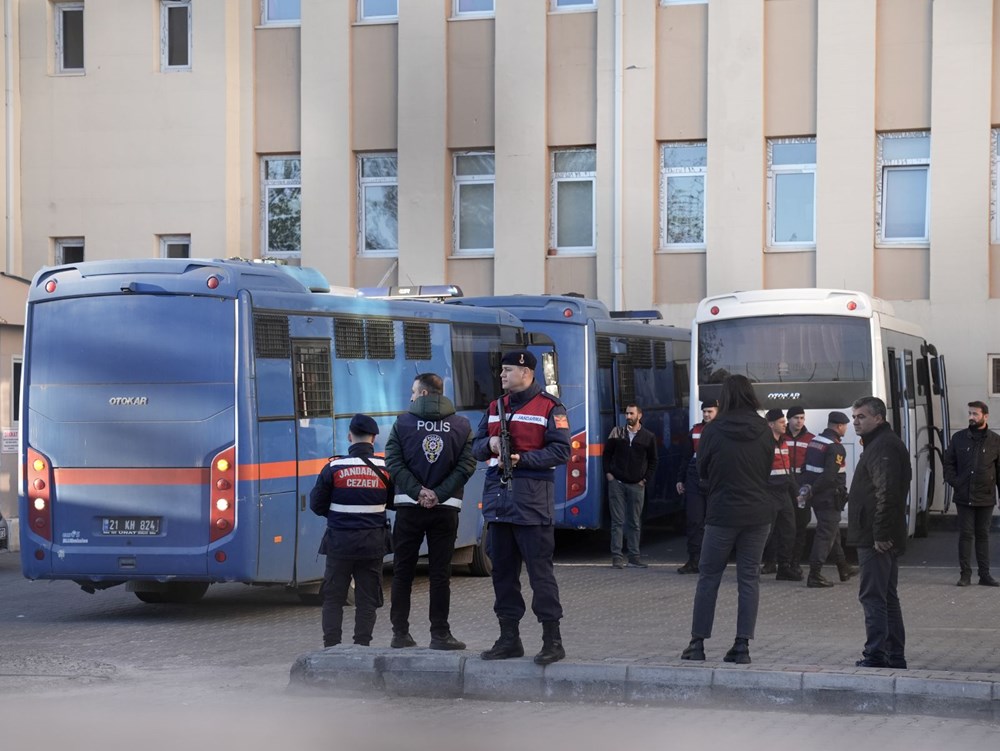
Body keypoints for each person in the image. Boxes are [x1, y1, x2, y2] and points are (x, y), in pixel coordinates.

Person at [472, 349, 571, 665]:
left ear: (526, 372)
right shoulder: (494, 407)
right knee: (502, 574)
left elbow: (561, 451)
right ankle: (509, 639)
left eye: (508, 370)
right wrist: (490, 444)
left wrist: (523, 458)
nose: (502, 375)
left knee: (540, 575)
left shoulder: (550, 408)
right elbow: (474, 447)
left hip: (531, 504)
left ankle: (552, 641)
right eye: (501, 370)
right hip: (499, 503)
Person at [680, 375, 773, 665]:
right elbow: (767, 468)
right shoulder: (763, 428)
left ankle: (697, 644)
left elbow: (702, 470)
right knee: (749, 578)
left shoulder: (713, 429)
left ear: (725, 397)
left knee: (709, 577)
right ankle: (742, 646)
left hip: (721, 513)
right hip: (758, 513)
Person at [384, 373, 477, 650]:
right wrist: (439, 493)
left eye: (413, 391)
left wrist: (417, 492)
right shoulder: (462, 425)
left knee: (402, 572)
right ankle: (440, 634)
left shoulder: (402, 424)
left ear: (424, 394)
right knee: (440, 574)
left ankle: (400, 634)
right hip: (445, 509)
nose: (411, 396)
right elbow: (466, 466)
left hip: (409, 508)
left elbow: (393, 461)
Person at [309, 413, 391, 648]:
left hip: (339, 544)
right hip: (372, 544)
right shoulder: (385, 469)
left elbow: (316, 505)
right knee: (367, 600)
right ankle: (362, 646)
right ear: (374, 438)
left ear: (349, 437)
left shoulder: (333, 468)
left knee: (334, 599)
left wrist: (340, 517)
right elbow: (393, 501)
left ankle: (332, 646)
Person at [846, 396, 911, 669]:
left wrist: (881, 533)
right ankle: (893, 654)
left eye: (861, 416)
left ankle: (876, 654)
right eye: (854, 417)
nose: (855, 422)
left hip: (875, 536)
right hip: (876, 533)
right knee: (886, 595)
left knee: (874, 596)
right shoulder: (879, 444)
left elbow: (888, 494)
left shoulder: (883, 446)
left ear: (878, 418)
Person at [943, 400, 1000, 587]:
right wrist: (955, 482)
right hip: (964, 495)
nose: (971, 417)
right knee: (966, 535)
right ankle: (965, 575)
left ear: (985, 416)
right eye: (969, 413)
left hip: (985, 496)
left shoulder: (995, 440)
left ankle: (984, 575)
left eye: (975, 414)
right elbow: (948, 463)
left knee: (983, 535)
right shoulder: (959, 438)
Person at [802, 411, 858, 588]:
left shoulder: (815, 442)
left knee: (832, 532)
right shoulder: (835, 447)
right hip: (829, 497)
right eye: (845, 426)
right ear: (839, 426)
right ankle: (815, 574)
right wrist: (814, 490)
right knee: (825, 535)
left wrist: (809, 489)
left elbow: (806, 468)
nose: (846, 429)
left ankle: (843, 568)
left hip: (818, 497)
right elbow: (829, 476)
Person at [603, 402, 658, 569]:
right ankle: (617, 557)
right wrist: (609, 474)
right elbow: (606, 454)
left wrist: (644, 480)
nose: (628, 417)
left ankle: (634, 556)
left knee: (634, 521)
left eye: (631, 414)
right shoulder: (617, 433)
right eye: (626, 414)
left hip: (636, 484)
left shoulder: (648, 437)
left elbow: (654, 461)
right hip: (617, 483)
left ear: (639, 416)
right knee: (617, 521)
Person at [675, 399, 719, 574]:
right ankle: (694, 560)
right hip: (694, 477)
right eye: (705, 412)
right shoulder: (695, 431)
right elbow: (685, 457)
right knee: (694, 521)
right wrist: (680, 479)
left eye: (710, 411)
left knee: (715, 523)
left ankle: (713, 562)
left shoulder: (722, 430)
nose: (707, 415)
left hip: (715, 478)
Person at [761, 409, 801, 581]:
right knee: (765, 533)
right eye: (781, 422)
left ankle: (784, 567)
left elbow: (788, 469)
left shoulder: (783, 442)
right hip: (769, 493)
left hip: (784, 493)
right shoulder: (763, 444)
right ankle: (752, 566)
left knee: (789, 531)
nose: (785, 424)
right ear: (770, 424)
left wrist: (796, 491)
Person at [784, 405, 813, 576]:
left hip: (801, 489)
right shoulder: (780, 437)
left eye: (802, 418)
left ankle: (795, 563)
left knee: (800, 527)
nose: (799, 421)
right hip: (785, 488)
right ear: (789, 419)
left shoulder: (811, 439)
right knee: (783, 528)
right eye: (796, 418)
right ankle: (778, 562)